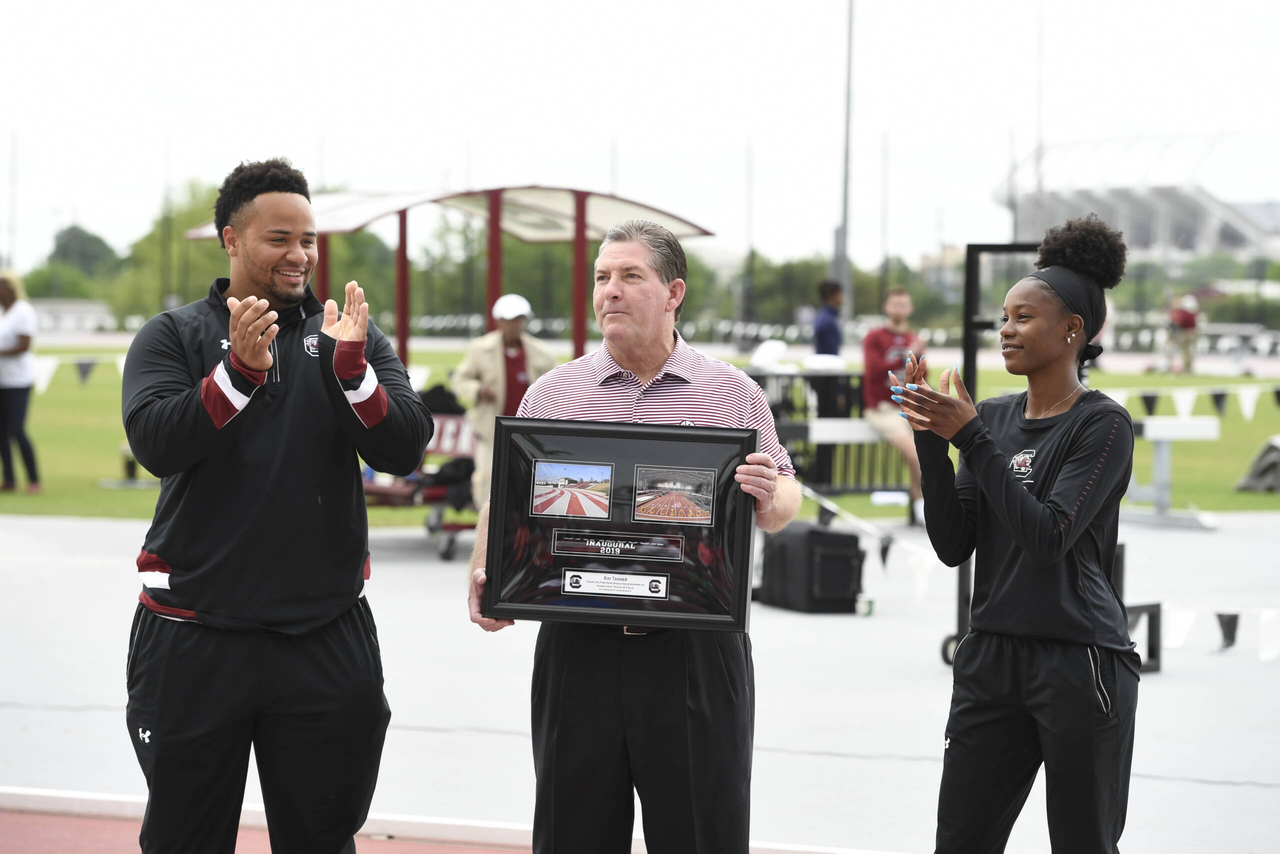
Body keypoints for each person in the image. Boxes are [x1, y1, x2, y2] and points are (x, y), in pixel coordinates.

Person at [121, 158, 433, 854]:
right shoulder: (171, 336)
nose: (300, 255)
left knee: (322, 838)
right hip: (193, 635)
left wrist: (352, 376)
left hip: (324, 636)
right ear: (231, 240)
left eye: (310, 240)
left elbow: (404, 449)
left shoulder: (351, 338)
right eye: (279, 239)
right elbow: (156, 444)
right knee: (182, 840)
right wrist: (236, 374)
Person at [467, 220, 801, 854]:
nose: (609, 292)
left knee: (702, 833)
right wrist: (486, 571)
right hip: (579, 647)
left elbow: (785, 497)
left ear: (674, 292)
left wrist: (769, 491)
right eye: (601, 278)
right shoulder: (553, 392)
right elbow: (503, 500)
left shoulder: (732, 393)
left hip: (694, 650)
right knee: (574, 832)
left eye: (629, 276)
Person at [892, 214, 1138, 853]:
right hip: (991, 658)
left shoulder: (1102, 426)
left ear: (1072, 329)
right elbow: (953, 544)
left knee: (1083, 843)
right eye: (1004, 316)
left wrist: (969, 437)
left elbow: (1049, 536)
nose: (1006, 329)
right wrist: (929, 438)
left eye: (1024, 317)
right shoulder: (994, 419)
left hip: (1079, 662)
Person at [451, 292, 556, 504]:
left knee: (535, 481)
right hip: (492, 431)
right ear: (498, 321)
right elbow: (459, 380)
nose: (514, 325)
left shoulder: (540, 352)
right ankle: (489, 528)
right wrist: (479, 390)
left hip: (530, 432)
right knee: (488, 478)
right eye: (509, 320)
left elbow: (557, 385)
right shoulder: (480, 349)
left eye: (519, 319)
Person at [861, 288, 924, 522]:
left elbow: (918, 377)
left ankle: (928, 503)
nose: (899, 309)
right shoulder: (875, 337)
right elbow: (875, 369)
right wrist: (907, 355)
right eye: (894, 304)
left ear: (910, 309)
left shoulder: (912, 338)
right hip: (882, 408)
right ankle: (920, 503)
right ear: (886, 307)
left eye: (903, 304)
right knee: (913, 452)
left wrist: (917, 357)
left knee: (930, 449)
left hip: (906, 407)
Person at [0, 270, 41, 494]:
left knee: (17, 430)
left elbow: (25, 345)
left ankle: (34, 479)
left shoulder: (22, 311)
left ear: (10, 288)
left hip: (18, 381)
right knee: (1, 434)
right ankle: (9, 479)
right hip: (1, 381)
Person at [1169, 294, 1200, 373]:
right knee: (1188, 351)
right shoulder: (1192, 313)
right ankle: (1188, 368)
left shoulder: (1184, 313)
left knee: (1185, 351)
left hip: (1186, 333)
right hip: (1191, 333)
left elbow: (1181, 323)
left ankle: (1187, 368)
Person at [813, 279, 843, 356]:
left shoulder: (826, 316)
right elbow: (831, 351)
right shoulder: (827, 320)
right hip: (827, 365)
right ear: (832, 296)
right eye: (839, 293)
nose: (842, 296)